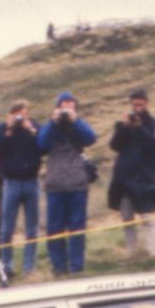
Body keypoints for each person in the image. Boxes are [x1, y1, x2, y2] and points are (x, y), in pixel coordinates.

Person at [37, 91, 97, 275]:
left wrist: (75, 120)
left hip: (77, 182)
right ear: (57, 108)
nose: (67, 109)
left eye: (71, 106)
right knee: (54, 227)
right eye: (64, 105)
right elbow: (41, 144)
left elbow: (91, 138)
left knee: (77, 226)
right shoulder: (51, 126)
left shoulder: (78, 124)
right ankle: (59, 266)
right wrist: (53, 122)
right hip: (55, 184)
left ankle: (76, 266)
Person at [108, 88, 155, 255]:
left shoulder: (154, 123)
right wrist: (124, 127)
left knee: (147, 217)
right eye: (134, 105)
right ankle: (132, 251)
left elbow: (154, 145)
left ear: (146, 104)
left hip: (144, 178)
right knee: (127, 217)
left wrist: (140, 128)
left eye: (140, 104)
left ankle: (154, 251)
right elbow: (114, 146)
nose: (137, 108)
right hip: (124, 178)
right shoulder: (123, 124)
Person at [0, 100, 43, 278]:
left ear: (28, 113)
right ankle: (7, 266)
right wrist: (8, 130)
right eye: (17, 114)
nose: (20, 117)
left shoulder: (34, 126)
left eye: (23, 113)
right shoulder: (3, 128)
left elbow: (44, 147)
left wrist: (31, 130)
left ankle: (29, 267)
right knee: (6, 229)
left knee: (32, 228)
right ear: (11, 114)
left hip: (31, 182)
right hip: (11, 183)